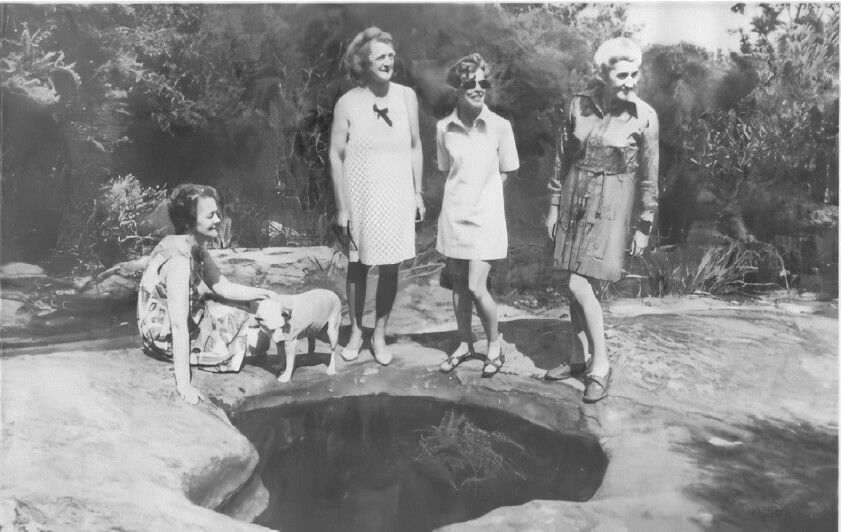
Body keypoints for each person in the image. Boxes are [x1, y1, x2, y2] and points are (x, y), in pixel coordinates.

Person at [544, 38, 659, 402]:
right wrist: (553, 203)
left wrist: (644, 223)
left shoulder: (645, 115)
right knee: (572, 283)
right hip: (575, 198)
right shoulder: (579, 104)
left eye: (634, 74)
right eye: (621, 74)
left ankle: (601, 365)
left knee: (580, 285)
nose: (629, 81)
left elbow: (650, 175)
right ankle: (578, 359)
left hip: (613, 205)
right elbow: (562, 158)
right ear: (602, 74)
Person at [137, 184, 284, 405]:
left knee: (256, 313)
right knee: (257, 341)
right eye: (210, 215)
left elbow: (222, 287)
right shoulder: (178, 259)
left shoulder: (193, 245)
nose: (218, 220)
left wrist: (265, 293)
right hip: (164, 335)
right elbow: (177, 326)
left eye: (217, 213)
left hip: (188, 318)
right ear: (189, 221)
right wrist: (184, 385)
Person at [329, 27, 424, 365]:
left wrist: (417, 192)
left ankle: (379, 333)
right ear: (363, 64)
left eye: (391, 56)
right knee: (358, 266)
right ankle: (356, 330)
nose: (388, 62)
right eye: (380, 57)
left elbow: (415, 146)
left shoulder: (406, 97)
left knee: (390, 266)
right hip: (360, 195)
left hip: (396, 194)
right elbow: (335, 155)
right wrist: (342, 206)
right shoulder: (348, 102)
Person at [435, 53, 519, 378]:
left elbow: (507, 173)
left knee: (475, 285)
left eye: (484, 82)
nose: (479, 88)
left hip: (486, 221)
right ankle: (464, 344)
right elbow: (448, 172)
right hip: (454, 219)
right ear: (457, 87)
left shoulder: (500, 126)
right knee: (458, 286)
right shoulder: (444, 128)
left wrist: (484, 203)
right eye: (471, 82)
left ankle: (494, 346)